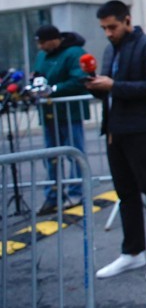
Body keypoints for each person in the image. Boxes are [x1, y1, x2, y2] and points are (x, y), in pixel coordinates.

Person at [85, 0, 146, 281]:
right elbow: (111, 88)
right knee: (125, 194)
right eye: (104, 29)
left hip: (143, 131)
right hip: (116, 131)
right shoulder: (112, 49)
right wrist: (95, 86)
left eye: (112, 27)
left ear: (126, 20)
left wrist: (113, 86)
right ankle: (133, 252)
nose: (108, 33)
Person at [31, 24, 91, 215]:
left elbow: (80, 79)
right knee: (51, 157)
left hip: (69, 113)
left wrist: (54, 90)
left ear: (53, 39)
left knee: (74, 153)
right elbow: (38, 76)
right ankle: (53, 195)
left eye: (42, 42)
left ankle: (76, 193)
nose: (40, 47)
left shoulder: (74, 53)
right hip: (49, 114)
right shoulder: (42, 56)